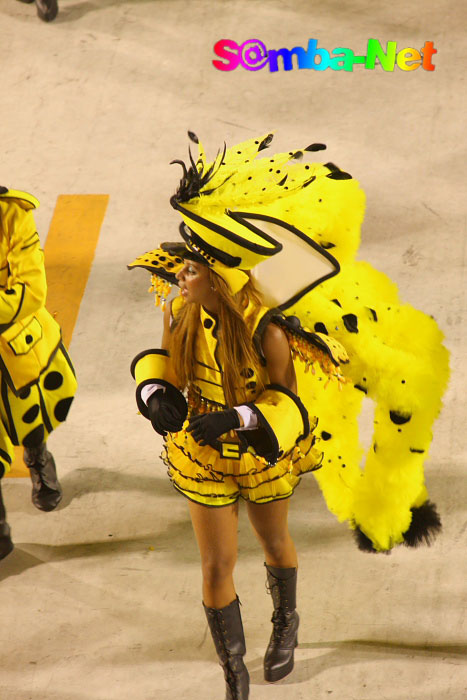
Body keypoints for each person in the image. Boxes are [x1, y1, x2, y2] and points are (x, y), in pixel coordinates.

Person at [130, 132, 448, 698]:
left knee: (275, 546)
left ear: (223, 277)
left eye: (193, 270)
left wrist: (238, 420)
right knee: (214, 566)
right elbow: (165, 362)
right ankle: (234, 668)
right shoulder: (179, 310)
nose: (181, 276)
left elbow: (287, 402)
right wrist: (156, 391)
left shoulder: (268, 328)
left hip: (260, 457)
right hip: (201, 458)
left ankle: (285, 626)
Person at [0, 187, 77, 560]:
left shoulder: (11, 213)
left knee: (28, 413)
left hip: (13, 343)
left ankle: (37, 457)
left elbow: (32, 291)